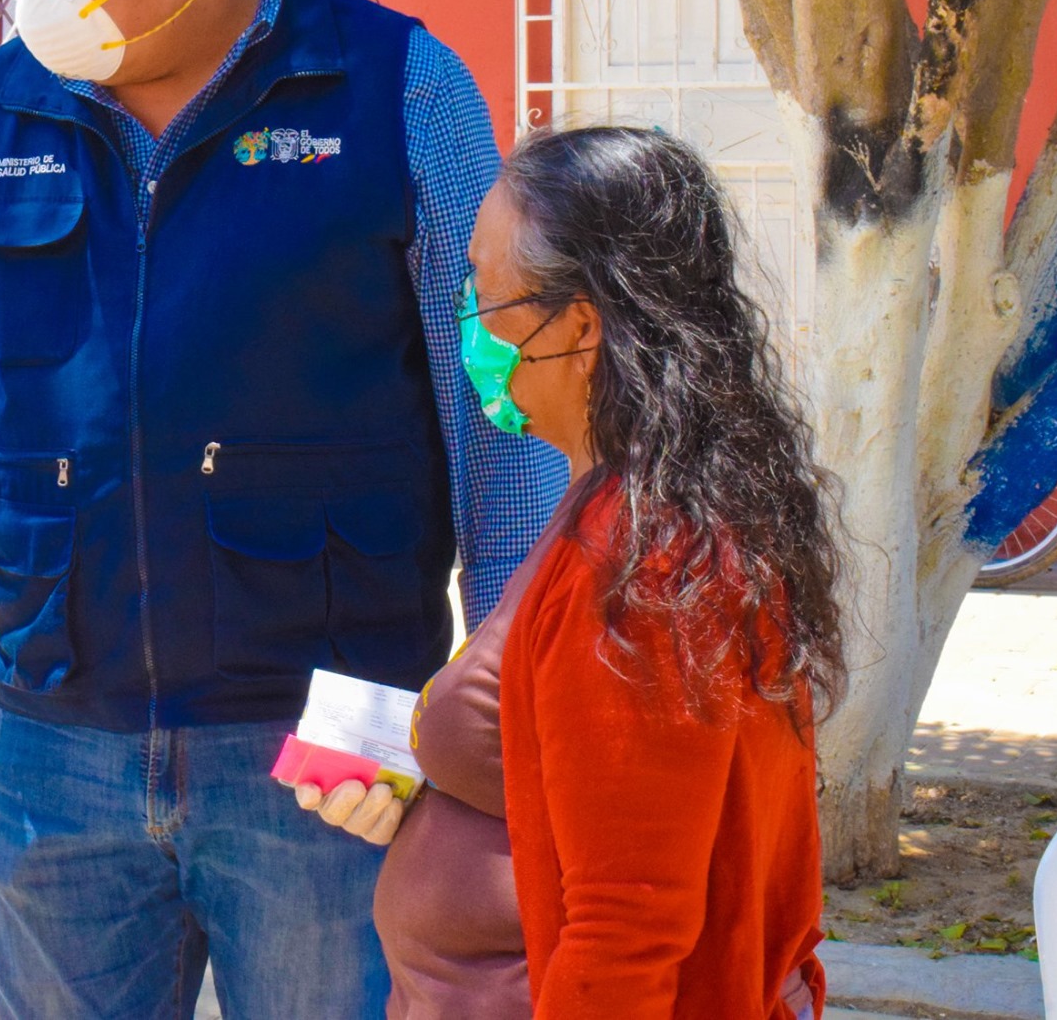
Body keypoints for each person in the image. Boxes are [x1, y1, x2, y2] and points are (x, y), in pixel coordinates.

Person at [0, 0, 567, 1018]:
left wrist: (500, 697)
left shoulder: (394, 88)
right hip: (56, 750)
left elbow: (504, 418)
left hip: (330, 743)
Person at [297, 126, 845, 1019]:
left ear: (579, 327)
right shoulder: (622, 501)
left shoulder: (651, 567)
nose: (466, 315)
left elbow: (626, 925)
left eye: (485, 291)